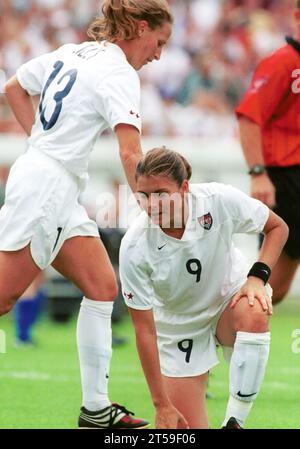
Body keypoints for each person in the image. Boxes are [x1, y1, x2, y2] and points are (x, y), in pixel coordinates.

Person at [1, 0, 173, 429]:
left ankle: (95, 409)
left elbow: (13, 88)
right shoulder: (119, 73)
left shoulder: (71, 51)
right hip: (47, 186)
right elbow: (131, 152)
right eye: (158, 41)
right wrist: (157, 213)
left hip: (52, 181)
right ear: (138, 26)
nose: (158, 54)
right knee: (3, 295)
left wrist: (43, 146)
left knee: (101, 286)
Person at [119, 147, 289, 429]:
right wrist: (161, 405)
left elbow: (277, 227)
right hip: (178, 329)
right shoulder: (135, 247)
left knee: (254, 308)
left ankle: (235, 421)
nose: (152, 205)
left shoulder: (217, 199)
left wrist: (257, 278)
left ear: (184, 188)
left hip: (227, 303)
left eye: (161, 194)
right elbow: (144, 331)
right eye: (144, 196)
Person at [235, 0, 300, 305]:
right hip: (287, 178)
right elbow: (249, 117)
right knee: (275, 284)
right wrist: (258, 174)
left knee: (277, 285)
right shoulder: (281, 63)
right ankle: (227, 326)